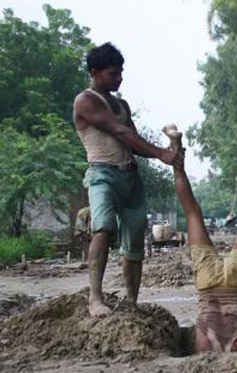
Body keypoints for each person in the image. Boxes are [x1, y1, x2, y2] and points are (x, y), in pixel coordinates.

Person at [73, 43, 182, 317]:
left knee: (134, 242)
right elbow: (119, 132)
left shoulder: (121, 104)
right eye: (113, 73)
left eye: (121, 72)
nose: (119, 78)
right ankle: (95, 298)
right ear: (95, 72)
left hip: (130, 176)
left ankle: (131, 302)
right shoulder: (85, 101)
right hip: (102, 174)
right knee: (103, 228)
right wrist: (161, 154)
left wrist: (167, 153)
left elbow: (132, 143)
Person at [163, 125, 237, 352]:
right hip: (210, 284)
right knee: (194, 212)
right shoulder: (204, 347)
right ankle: (176, 148)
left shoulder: (213, 348)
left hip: (235, 283)